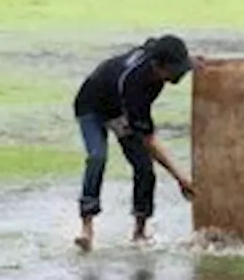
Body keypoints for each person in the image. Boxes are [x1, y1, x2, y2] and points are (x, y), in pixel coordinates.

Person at [72, 34, 197, 251]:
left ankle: (139, 232)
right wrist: (180, 177)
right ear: (157, 66)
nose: (177, 76)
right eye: (174, 71)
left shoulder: (156, 58)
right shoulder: (135, 84)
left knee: (144, 169)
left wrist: (193, 62)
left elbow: (156, 44)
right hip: (91, 105)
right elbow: (149, 140)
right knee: (97, 156)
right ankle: (87, 228)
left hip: (121, 108)